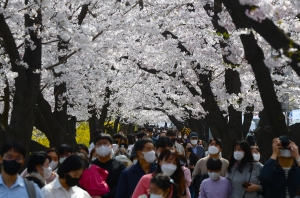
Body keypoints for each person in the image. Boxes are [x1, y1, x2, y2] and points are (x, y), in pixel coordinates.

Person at [92, 133, 126, 198]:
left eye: (105, 143)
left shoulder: (120, 166)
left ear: (111, 146)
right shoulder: (90, 166)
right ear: (95, 148)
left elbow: (122, 185)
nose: (102, 146)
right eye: (99, 144)